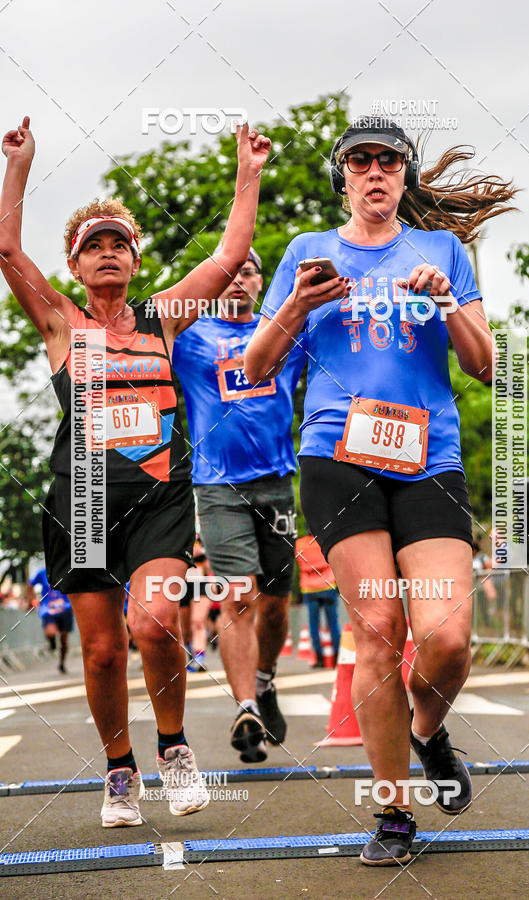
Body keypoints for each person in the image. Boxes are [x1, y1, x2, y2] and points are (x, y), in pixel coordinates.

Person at [245, 115, 516, 864]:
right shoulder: (308, 252)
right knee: (377, 630)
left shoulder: (442, 251)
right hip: (339, 456)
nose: (374, 172)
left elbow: (488, 367)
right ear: (344, 177)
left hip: (429, 458)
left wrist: (447, 305)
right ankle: (393, 815)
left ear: (404, 176)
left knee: (448, 639)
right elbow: (258, 367)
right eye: (360, 161)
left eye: (388, 162)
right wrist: (299, 305)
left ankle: (427, 735)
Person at [0, 115, 270, 826]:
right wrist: (20, 166)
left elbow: (228, 254)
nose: (110, 254)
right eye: (96, 247)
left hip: (159, 496)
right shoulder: (62, 324)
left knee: (154, 625)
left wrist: (249, 174)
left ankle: (174, 749)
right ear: (77, 267)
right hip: (83, 499)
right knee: (99, 653)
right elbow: (4, 247)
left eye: (121, 244)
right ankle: (120, 770)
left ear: (136, 262)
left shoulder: (162, 319)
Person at [172, 244, 305, 763]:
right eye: (226, 272)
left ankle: (266, 681)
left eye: (247, 271)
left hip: (277, 482)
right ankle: (245, 705)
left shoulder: (283, 331)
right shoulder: (190, 338)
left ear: (259, 282)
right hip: (217, 486)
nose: (236, 280)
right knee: (240, 597)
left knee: (274, 604)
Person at [295, 533, 340, 667]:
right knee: (333, 623)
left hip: (310, 589)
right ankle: (337, 657)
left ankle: (320, 659)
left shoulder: (299, 544)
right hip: (328, 585)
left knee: (314, 625)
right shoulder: (324, 539)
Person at [29, 566, 73, 672]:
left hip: (65, 607)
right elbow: (30, 584)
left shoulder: (68, 568)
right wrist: (30, 600)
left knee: (64, 639)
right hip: (48, 608)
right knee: (50, 632)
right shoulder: (42, 572)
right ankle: (52, 642)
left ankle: (62, 663)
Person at [180, 539, 212, 671]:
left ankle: (199, 660)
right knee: (184, 629)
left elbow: (211, 563)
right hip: (180, 583)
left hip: (201, 583)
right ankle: (189, 656)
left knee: (198, 621)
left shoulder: (204, 536)